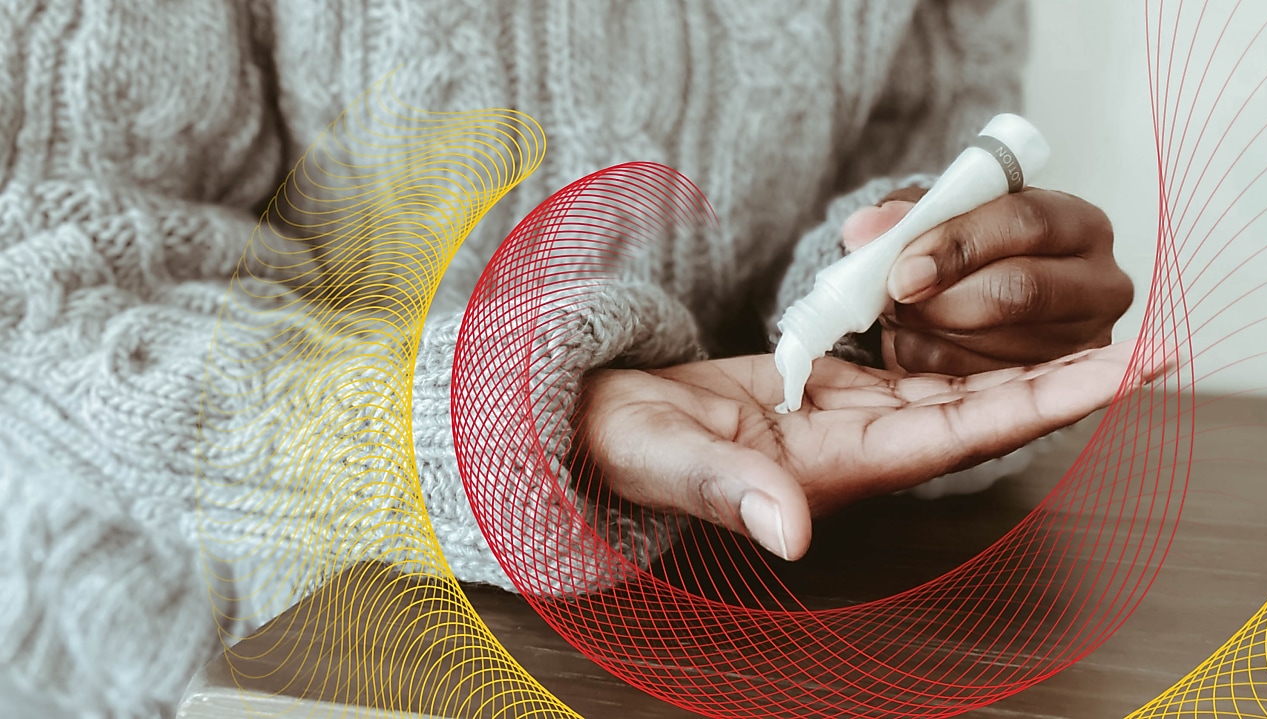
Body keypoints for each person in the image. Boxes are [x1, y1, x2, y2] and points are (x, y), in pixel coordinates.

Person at [0, 0, 1134, 716]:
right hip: (211, 660)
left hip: (704, 629)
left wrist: (905, 311)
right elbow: (41, 282)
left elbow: (904, 164)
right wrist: (515, 421)